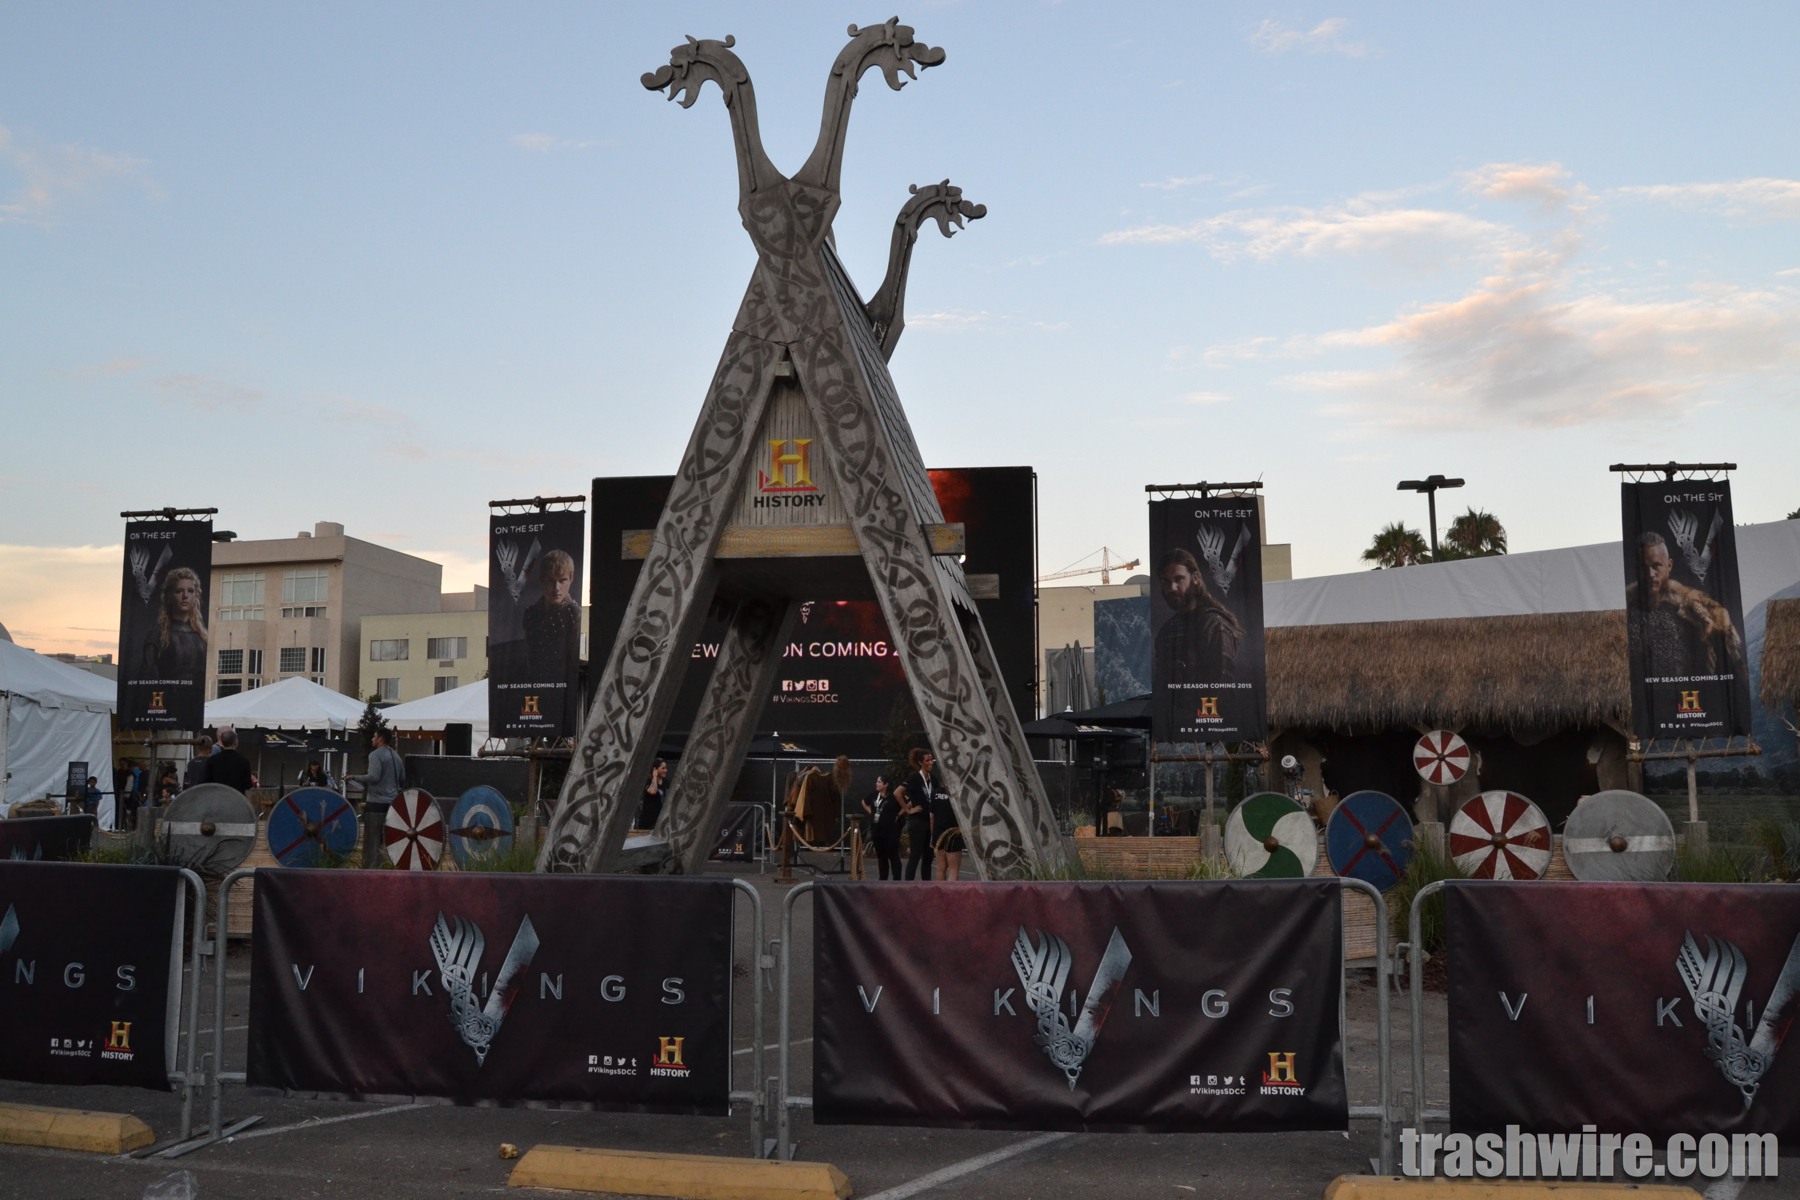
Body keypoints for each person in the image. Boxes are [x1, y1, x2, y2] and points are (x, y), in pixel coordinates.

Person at [1625, 531, 1746, 679]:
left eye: (1656, 566)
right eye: (1644, 567)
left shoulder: (1697, 614)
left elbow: (1729, 669)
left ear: (1669, 565)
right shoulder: (1624, 613)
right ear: (1637, 568)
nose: (1650, 574)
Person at [1153, 547, 1242, 686]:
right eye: (1166, 582)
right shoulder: (1166, 631)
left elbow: (1222, 688)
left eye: (1179, 579)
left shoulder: (1214, 626)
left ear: (1195, 578)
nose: (1172, 587)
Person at [522, 548, 582, 730]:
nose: (556, 588)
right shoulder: (531, 614)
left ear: (570, 578)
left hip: (562, 694)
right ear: (542, 579)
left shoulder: (574, 614)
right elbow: (530, 657)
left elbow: (572, 659)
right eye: (551, 581)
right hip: (534, 692)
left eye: (562, 580)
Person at [139, 566, 208, 679]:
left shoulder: (202, 635)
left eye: (190, 591)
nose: (185, 596)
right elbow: (145, 676)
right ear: (169, 596)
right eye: (179, 591)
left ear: (196, 596)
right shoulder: (158, 633)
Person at [349, 727, 405, 811]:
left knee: (374, 820)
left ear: (380, 739)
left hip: (376, 802)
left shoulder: (375, 755)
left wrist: (354, 777)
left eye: (374, 736)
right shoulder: (396, 756)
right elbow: (402, 778)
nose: (372, 739)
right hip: (393, 802)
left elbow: (373, 777)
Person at [862, 775, 902, 880]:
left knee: (893, 855)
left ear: (886, 784)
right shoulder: (874, 794)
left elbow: (904, 805)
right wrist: (871, 813)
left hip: (890, 830)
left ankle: (897, 879)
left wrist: (899, 815)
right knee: (881, 856)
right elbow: (864, 802)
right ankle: (883, 879)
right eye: (877, 781)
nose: (877, 784)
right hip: (877, 830)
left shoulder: (893, 796)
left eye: (879, 782)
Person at [897, 783, 933, 881]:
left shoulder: (932, 784)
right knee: (915, 855)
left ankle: (927, 884)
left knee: (928, 856)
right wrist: (906, 811)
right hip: (917, 823)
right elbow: (906, 800)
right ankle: (908, 884)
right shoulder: (916, 785)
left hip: (929, 823)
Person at [203, 727, 255, 794]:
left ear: (222, 742)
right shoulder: (244, 761)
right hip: (236, 797)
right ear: (236, 742)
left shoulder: (211, 760)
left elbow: (206, 785)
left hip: (217, 797)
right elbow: (247, 788)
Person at [930, 782, 964, 881]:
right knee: (953, 870)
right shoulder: (956, 793)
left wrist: (932, 835)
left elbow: (932, 817)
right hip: (953, 833)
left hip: (938, 833)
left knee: (940, 869)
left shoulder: (935, 793)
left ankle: (939, 891)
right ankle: (951, 891)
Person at [637, 759, 668, 830]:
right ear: (655, 769)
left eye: (666, 768)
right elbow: (653, 791)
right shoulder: (648, 782)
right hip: (648, 822)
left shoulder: (666, 783)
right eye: (663, 768)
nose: (665, 770)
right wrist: (655, 777)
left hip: (660, 821)